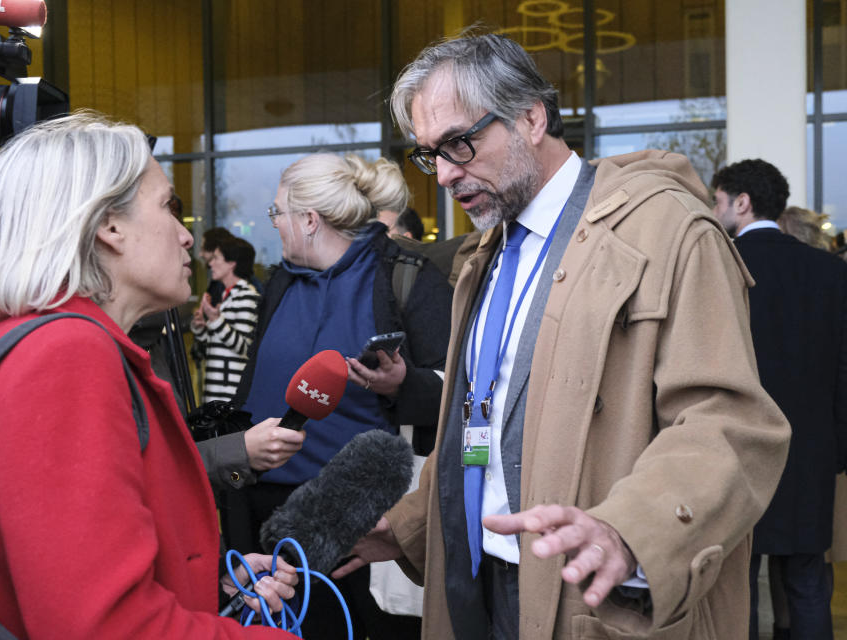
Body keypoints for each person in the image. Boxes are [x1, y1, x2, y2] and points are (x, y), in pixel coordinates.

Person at [335, 33, 790, 639]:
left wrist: (632, 530)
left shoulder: (667, 231)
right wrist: (409, 525)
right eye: (429, 154)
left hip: (592, 600)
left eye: (459, 143)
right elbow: (484, 427)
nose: (443, 174)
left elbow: (729, 423)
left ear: (531, 117)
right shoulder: (485, 256)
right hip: (474, 586)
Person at [0, 112, 298, 639]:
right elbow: (107, 627)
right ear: (109, 225)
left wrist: (202, 584)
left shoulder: (37, 342)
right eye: (169, 206)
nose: (185, 236)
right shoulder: (64, 356)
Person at [228, 152, 453, 639]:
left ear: (309, 220)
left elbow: (460, 389)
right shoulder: (282, 279)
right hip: (260, 517)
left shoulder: (407, 275)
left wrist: (402, 384)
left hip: (353, 527)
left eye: (277, 214)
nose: (274, 226)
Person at [711, 159, 847, 640]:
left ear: (742, 203)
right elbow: (844, 370)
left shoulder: (722, 267)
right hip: (811, 452)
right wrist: (837, 452)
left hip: (738, 451)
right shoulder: (830, 272)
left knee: (737, 587)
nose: (715, 209)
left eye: (718, 200)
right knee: (808, 584)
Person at [191, 236, 261, 403]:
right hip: (217, 393)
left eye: (216, 258)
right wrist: (201, 327)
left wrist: (215, 319)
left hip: (229, 395)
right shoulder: (228, 295)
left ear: (231, 263)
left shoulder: (248, 296)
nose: (210, 264)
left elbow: (244, 346)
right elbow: (217, 344)